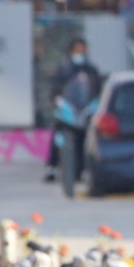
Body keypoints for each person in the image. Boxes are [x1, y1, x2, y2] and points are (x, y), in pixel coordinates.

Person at [45, 38, 102, 182]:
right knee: (58, 137)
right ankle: (51, 167)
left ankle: (85, 169)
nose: (81, 53)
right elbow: (55, 89)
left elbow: (97, 88)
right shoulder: (64, 69)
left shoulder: (91, 70)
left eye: (83, 50)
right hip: (68, 110)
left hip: (86, 110)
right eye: (78, 51)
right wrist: (57, 99)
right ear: (71, 52)